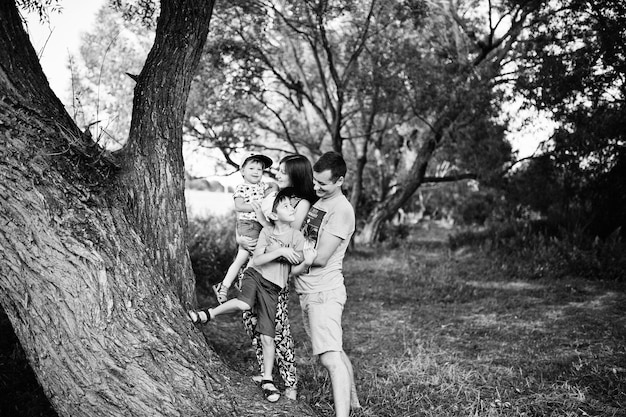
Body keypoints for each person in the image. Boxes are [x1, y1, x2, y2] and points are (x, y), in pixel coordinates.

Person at [188, 189, 306, 403]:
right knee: (244, 304)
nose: (292, 208)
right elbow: (258, 260)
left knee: (267, 337)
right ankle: (208, 314)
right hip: (255, 276)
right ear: (273, 215)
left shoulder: (297, 236)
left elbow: (297, 266)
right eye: (286, 206)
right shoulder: (267, 232)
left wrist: (303, 260)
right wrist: (279, 252)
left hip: (274, 289)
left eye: (292, 205)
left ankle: (267, 379)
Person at [240, 154, 317, 401]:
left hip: (275, 273)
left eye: (283, 171)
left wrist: (263, 222)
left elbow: (286, 237)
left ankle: (290, 383)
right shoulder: (274, 196)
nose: (278, 175)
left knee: (277, 328)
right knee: (253, 321)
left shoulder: (301, 202)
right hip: (257, 263)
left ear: (296, 174)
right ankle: (266, 374)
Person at [289, 151, 361, 417]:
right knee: (335, 350)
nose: (316, 187)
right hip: (310, 291)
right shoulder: (321, 202)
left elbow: (319, 257)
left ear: (340, 180)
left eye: (323, 184)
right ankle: (354, 403)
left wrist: (287, 272)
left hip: (323, 292)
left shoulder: (341, 210)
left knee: (329, 357)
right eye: (315, 181)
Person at [213, 153, 276, 304]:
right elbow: (239, 206)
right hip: (248, 226)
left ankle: (228, 285)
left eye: (259, 169)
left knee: (246, 257)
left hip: (260, 226)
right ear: (242, 171)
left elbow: (273, 189)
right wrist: (257, 208)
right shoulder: (242, 187)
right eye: (251, 168)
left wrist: (273, 188)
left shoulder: (262, 186)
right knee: (251, 256)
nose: (256, 171)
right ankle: (235, 284)